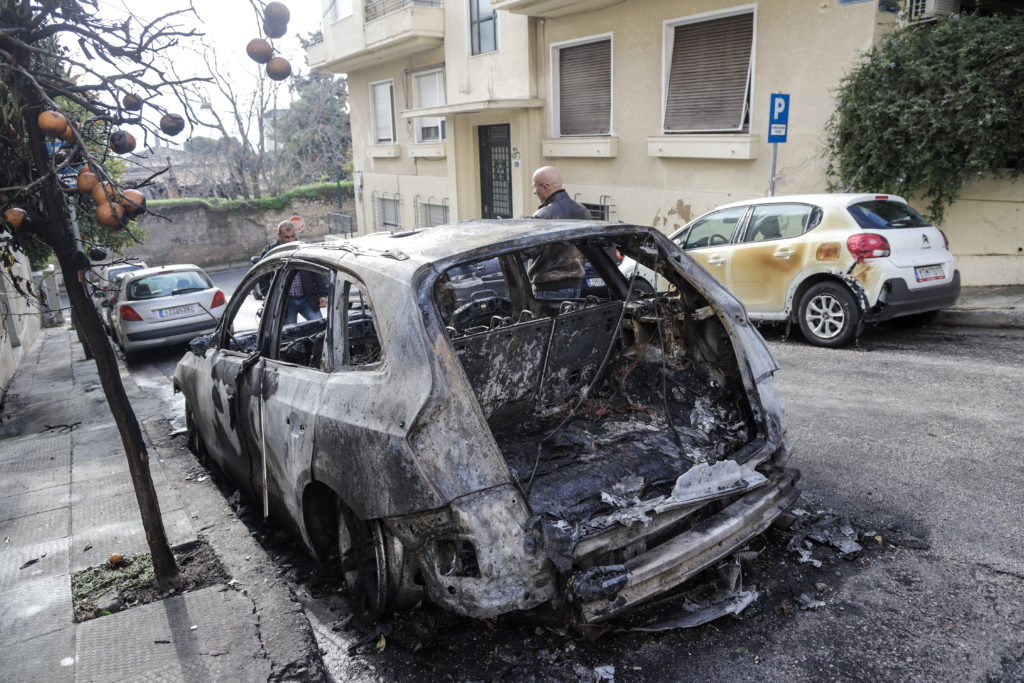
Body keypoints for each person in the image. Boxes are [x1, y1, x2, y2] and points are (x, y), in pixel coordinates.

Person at [526, 165, 592, 299]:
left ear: (545, 187)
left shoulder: (542, 216)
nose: (534, 192)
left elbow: (527, 252)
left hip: (549, 289)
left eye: (535, 188)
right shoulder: (583, 210)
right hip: (576, 286)